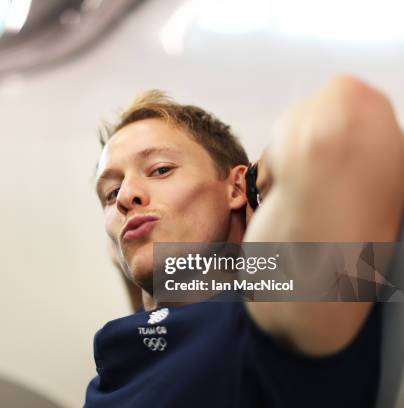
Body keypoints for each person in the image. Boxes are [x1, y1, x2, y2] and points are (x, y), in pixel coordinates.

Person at [85, 75, 404, 407]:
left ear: (236, 189)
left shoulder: (269, 309)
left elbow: (354, 114)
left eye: (161, 170)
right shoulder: (126, 349)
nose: (125, 196)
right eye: (110, 193)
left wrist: (257, 182)